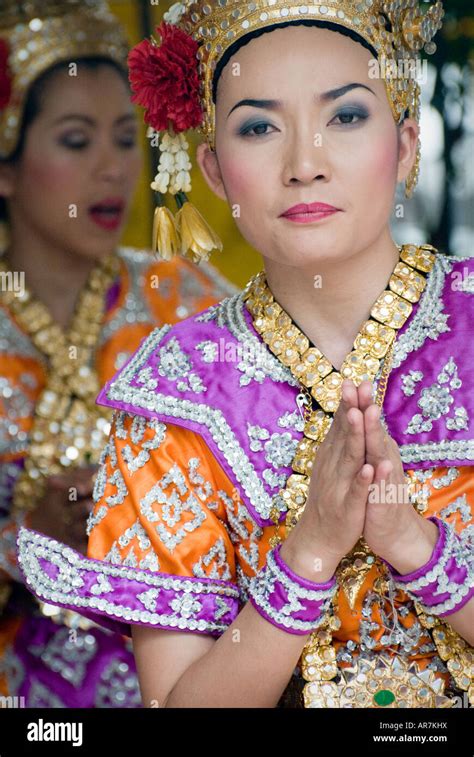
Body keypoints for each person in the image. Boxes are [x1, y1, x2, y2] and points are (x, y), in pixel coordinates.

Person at [17, 0, 474, 709]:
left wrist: (416, 545)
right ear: (214, 170)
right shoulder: (178, 386)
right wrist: (309, 554)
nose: (304, 164)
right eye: (259, 127)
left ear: (407, 144)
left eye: (345, 116)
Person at [0, 0, 236, 707]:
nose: (113, 169)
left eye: (126, 138)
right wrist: (24, 539)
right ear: (5, 169)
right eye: (77, 141)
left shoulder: (188, 302)